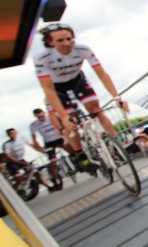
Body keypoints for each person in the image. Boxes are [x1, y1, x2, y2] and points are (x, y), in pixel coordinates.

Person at [32, 23, 127, 170]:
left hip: (77, 81)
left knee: (96, 109)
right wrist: (63, 116)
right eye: (60, 40)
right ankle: (81, 155)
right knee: (71, 121)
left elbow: (102, 74)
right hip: (57, 88)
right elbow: (48, 89)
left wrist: (116, 97)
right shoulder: (42, 57)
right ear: (50, 42)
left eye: (69, 39)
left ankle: (116, 146)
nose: (67, 43)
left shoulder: (82, 49)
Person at [29, 108, 69, 190]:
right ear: (36, 117)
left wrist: (64, 133)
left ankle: (77, 161)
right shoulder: (33, 125)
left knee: (69, 149)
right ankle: (54, 179)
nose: (41, 118)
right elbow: (34, 139)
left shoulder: (52, 117)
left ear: (44, 113)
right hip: (49, 143)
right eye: (39, 117)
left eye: (42, 115)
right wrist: (40, 148)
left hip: (59, 138)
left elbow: (63, 123)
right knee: (53, 162)